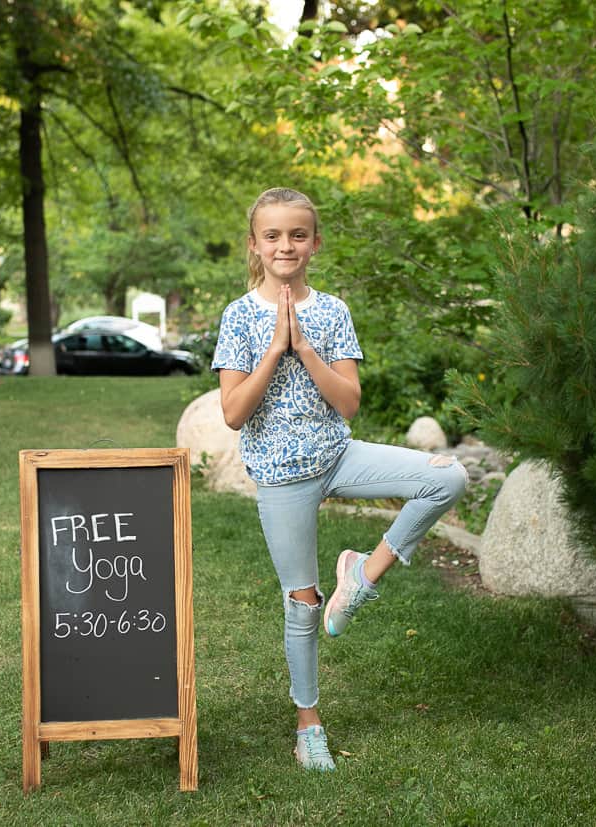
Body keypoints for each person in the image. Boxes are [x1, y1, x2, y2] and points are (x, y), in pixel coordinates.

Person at [211, 187, 468, 771]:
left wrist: (304, 343)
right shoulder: (239, 316)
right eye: (272, 235)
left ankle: (363, 572)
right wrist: (277, 349)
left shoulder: (332, 311)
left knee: (447, 476)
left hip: (338, 455)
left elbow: (348, 403)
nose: (285, 245)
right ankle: (309, 726)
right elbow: (232, 413)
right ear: (254, 244)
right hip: (281, 477)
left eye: (297, 235)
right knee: (301, 605)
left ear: (315, 243)